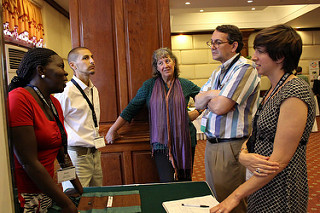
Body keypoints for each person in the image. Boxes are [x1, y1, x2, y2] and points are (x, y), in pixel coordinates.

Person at [210, 24, 315, 213]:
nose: (254, 57)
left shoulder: (295, 91)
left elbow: (279, 161)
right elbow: (256, 132)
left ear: (280, 56)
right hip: (260, 183)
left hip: (283, 189)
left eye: (260, 51)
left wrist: (235, 196)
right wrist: (243, 155)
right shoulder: (274, 89)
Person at [105, 47, 201, 182]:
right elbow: (132, 108)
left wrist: (197, 112)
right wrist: (113, 129)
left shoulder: (185, 84)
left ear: (174, 62)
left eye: (167, 61)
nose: (165, 65)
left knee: (185, 181)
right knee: (167, 181)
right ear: (157, 67)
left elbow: (204, 97)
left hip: (185, 141)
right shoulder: (149, 86)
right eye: (160, 63)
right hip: (161, 144)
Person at [8, 48, 83, 213]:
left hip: (48, 191)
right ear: (41, 70)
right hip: (26, 197)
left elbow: (62, 155)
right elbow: (28, 162)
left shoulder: (54, 104)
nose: (66, 74)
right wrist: (66, 204)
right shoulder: (18, 99)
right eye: (60, 67)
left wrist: (80, 190)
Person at [194, 25, 260, 213]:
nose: (213, 46)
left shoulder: (245, 68)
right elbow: (198, 101)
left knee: (232, 203)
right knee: (215, 199)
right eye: (211, 43)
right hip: (212, 144)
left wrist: (211, 97)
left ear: (234, 46)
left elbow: (221, 107)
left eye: (218, 42)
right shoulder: (218, 72)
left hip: (232, 145)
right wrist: (214, 95)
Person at [55, 47, 104, 190]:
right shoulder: (66, 91)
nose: (92, 61)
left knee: (97, 197)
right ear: (73, 65)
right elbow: (57, 125)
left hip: (95, 153)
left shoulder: (94, 89)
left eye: (92, 57)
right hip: (77, 156)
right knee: (76, 200)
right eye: (85, 58)